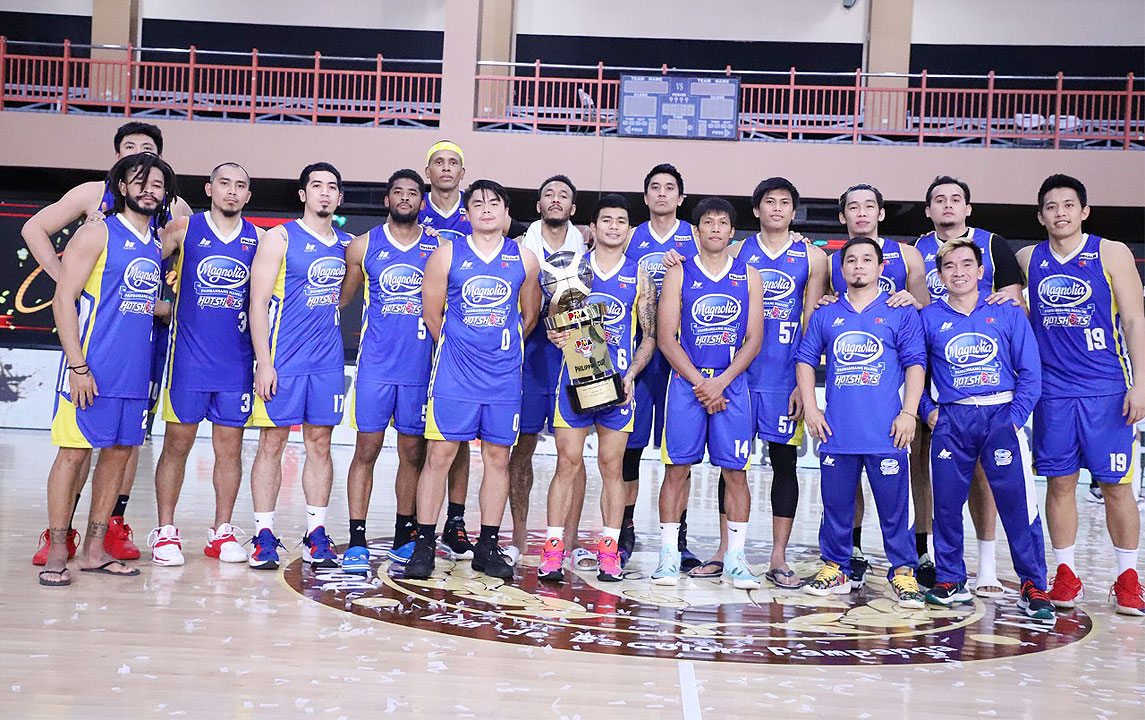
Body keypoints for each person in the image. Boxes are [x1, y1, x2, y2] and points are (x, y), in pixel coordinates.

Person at [25, 121, 192, 566]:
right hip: (91, 366)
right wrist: (77, 365)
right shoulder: (97, 229)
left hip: (136, 369)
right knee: (73, 453)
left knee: (119, 456)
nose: (148, 190)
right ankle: (57, 546)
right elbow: (64, 300)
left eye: (156, 184)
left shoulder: (157, 240)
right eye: (139, 181)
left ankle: (95, 548)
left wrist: (166, 307)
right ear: (120, 183)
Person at [690, 178, 829, 587]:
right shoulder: (736, 251)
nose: (777, 209)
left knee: (785, 464)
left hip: (785, 378)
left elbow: (812, 323)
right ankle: (725, 550)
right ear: (756, 210)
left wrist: (804, 385)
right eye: (770, 202)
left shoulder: (812, 256)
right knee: (731, 466)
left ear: (794, 211)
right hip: (738, 378)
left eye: (785, 202)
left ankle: (778, 556)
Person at [1020, 174, 1144, 616]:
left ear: (1084, 211)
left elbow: (1134, 320)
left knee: (1116, 486)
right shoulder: (1028, 258)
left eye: (1068, 205)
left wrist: (1141, 384)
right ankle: (1066, 573)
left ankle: (1128, 578)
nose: (1060, 213)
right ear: (1041, 216)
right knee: (1059, 484)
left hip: (1106, 389)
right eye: (1051, 207)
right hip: (1052, 394)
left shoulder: (1111, 252)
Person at [405, 180, 541, 580]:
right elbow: (432, 314)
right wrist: (460, 349)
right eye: (477, 203)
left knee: (498, 459)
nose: (485, 209)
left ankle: (487, 546)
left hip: (503, 378)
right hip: (456, 375)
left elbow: (530, 316)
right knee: (439, 457)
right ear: (466, 214)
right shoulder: (447, 254)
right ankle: (424, 545)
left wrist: (502, 348)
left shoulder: (525, 258)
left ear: (506, 213)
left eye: (493, 203)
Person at [918, 239, 1054, 619]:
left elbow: (1031, 372)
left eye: (966, 264)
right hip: (952, 419)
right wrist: (929, 412)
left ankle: (1032, 584)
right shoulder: (928, 318)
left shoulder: (1007, 311)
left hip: (1000, 415)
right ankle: (950, 579)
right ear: (939, 275)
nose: (958, 272)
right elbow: (913, 371)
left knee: (1019, 505)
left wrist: (1014, 418)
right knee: (946, 505)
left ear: (981, 271)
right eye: (949, 266)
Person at [796, 237, 927, 610]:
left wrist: (909, 413)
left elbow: (916, 364)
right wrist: (812, 408)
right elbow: (805, 360)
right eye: (851, 260)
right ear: (841, 270)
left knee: (894, 509)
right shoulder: (826, 313)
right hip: (838, 431)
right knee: (836, 506)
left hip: (887, 431)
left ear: (881, 267)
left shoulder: (899, 311)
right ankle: (835, 567)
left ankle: (903, 571)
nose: (858, 266)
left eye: (867, 259)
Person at [916, 175, 1027, 597]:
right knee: (930, 473)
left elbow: (1014, 306)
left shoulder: (994, 245)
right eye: (939, 200)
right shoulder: (916, 249)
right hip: (938, 378)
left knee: (988, 477)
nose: (947, 205)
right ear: (928, 210)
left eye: (955, 199)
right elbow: (911, 307)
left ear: (968, 208)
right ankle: (936, 562)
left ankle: (988, 566)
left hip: (986, 381)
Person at [148, 163, 263, 566]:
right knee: (176, 445)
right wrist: (158, 305)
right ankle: (165, 531)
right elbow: (139, 260)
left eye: (240, 185)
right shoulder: (184, 228)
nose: (232, 191)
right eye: (224, 183)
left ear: (248, 195)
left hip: (236, 363)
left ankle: (222, 531)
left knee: (230, 449)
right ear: (209, 188)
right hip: (188, 362)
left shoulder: (259, 239)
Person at [538, 194, 657, 583]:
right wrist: (555, 333)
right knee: (567, 463)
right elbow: (553, 319)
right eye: (606, 220)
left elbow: (650, 336)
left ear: (629, 229)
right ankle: (553, 549)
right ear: (592, 227)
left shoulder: (639, 275)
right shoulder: (571, 269)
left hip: (617, 385)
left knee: (612, 468)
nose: (614, 227)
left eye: (621, 221)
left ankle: (609, 551)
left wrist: (631, 375)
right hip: (574, 382)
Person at [651, 197, 763, 588]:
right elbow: (666, 338)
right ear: (696, 231)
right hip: (688, 384)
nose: (715, 228)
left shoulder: (749, 275)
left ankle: (735, 557)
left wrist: (720, 382)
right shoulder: (679, 273)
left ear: (732, 232)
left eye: (722, 223)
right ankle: (668, 554)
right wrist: (702, 383)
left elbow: (753, 340)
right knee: (676, 470)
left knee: (736, 473)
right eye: (708, 222)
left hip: (731, 385)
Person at [246, 163, 352, 570]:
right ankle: (263, 534)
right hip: (283, 360)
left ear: (339, 197)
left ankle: (316, 534)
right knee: (271, 444)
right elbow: (257, 303)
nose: (325, 192)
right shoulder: (280, 237)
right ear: (303, 194)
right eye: (317, 186)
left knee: (320, 444)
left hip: (327, 362)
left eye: (332, 187)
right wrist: (264, 362)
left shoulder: (346, 245)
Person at [831, 184, 931, 588]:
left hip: (899, 375)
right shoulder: (831, 259)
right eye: (853, 207)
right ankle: (851, 550)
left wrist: (910, 300)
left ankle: (917, 553)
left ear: (881, 213)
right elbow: (824, 308)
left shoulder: (907, 255)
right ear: (843, 217)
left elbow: (926, 311)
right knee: (848, 468)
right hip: (852, 380)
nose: (861, 213)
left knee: (913, 464)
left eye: (869, 206)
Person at [338, 169, 438, 572]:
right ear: (387, 200)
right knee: (366, 450)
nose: (405, 198)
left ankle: (403, 535)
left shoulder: (438, 247)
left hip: (420, 368)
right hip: (376, 367)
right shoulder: (363, 246)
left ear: (422, 202)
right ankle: (357, 538)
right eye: (398, 192)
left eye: (413, 193)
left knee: (413, 453)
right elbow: (341, 299)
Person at [417, 140, 496, 561]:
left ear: (462, 172)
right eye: (438, 162)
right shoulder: (414, 209)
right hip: (423, 338)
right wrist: (447, 339)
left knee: (460, 440)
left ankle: (456, 522)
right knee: (422, 443)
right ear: (427, 170)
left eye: (453, 163)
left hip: (471, 349)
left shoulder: (478, 215)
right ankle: (413, 527)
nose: (446, 169)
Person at [622, 163, 702, 569]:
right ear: (646, 196)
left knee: (680, 456)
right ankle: (624, 530)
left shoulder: (696, 235)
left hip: (680, 360)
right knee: (629, 451)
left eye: (670, 188)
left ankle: (678, 537)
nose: (662, 193)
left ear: (680, 198)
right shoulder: (629, 236)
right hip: (638, 357)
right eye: (655, 187)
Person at [511, 175, 588, 566]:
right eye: (548, 195)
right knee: (522, 445)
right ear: (538, 205)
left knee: (573, 452)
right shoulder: (519, 248)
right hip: (533, 352)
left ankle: (570, 542)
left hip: (577, 350)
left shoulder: (588, 247)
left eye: (563, 196)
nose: (556, 200)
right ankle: (518, 538)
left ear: (573, 208)